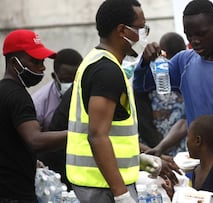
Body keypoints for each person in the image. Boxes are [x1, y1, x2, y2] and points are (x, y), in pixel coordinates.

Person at [133, 0, 213, 190]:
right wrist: (145, 62)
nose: (194, 40)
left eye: (201, 34)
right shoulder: (184, 61)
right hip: (199, 173)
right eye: (189, 35)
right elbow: (141, 85)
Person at [65, 0, 161, 202]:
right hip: (103, 186)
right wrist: (121, 193)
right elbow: (97, 136)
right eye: (141, 28)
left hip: (100, 181)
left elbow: (111, 130)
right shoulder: (106, 71)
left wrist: (136, 160)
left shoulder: (98, 62)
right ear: (121, 30)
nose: (144, 33)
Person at [0, 29, 67, 202]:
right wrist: (78, 133)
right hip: (17, 195)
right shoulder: (19, 97)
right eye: (36, 61)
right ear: (15, 63)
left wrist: (27, 160)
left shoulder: (3, 91)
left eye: (43, 61)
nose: (42, 67)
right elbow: (35, 141)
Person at [137, 32, 187, 156]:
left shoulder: (187, 73)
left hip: (168, 150)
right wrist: (161, 148)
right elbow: (143, 121)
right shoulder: (152, 74)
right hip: (160, 151)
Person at [31, 48, 82, 131]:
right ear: (54, 76)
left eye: (76, 80)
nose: (72, 85)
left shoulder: (91, 94)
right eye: (66, 80)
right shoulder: (39, 103)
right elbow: (34, 138)